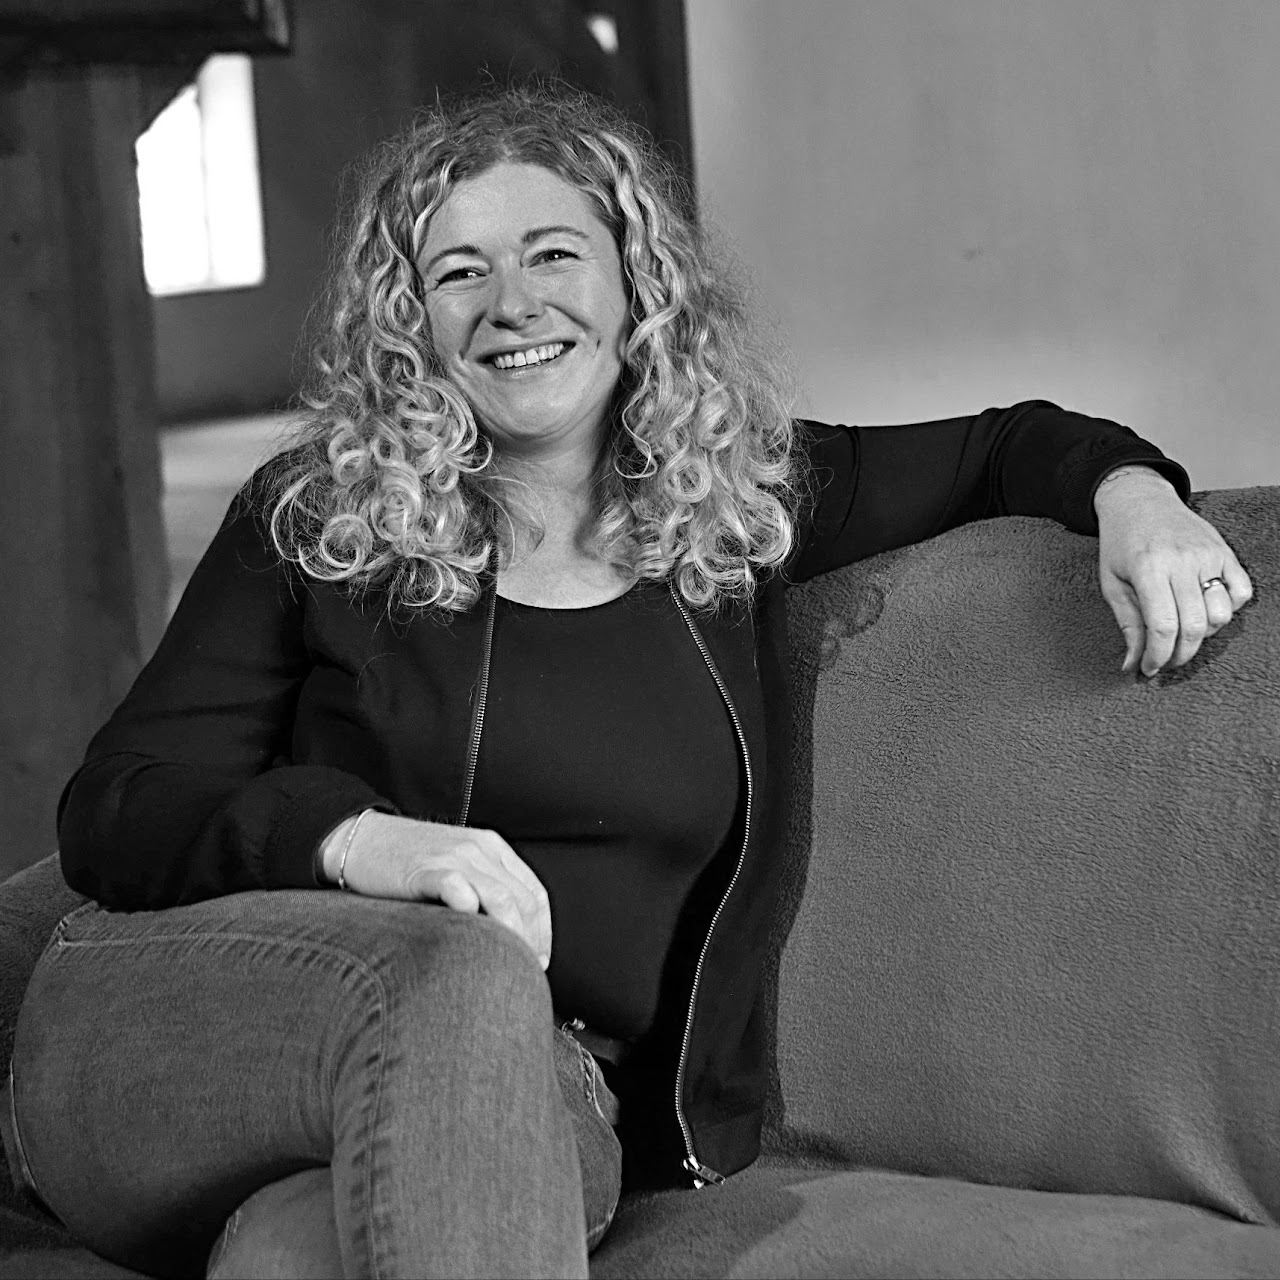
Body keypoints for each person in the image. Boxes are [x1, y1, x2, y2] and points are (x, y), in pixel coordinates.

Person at [5, 82, 1253, 1279]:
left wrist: (1134, 498)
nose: (511, 304)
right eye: (457, 272)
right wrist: (362, 840)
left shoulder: (734, 508)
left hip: (541, 1085)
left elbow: (1004, 446)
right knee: (460, 968)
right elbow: (117, 804)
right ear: (410, 323)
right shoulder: (317, 520)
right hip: (213, 1023)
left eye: (552, 254)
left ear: (636, 283)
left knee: (300, 1249)